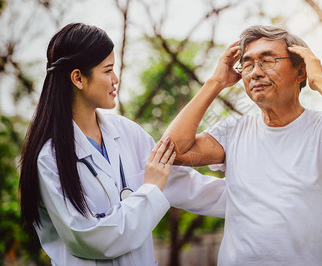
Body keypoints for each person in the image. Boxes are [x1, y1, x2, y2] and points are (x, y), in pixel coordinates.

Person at [163, 25, 322, 265]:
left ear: (300, 72)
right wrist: (215, 82)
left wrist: (319, 80)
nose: (255, 72)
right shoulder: (233, 131)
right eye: (247, 64)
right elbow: (172, 150)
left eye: (267, 61)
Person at [19, 23, 226, 265]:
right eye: (107, 71)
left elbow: (187, 185)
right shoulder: (49, 158)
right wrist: (150, 189)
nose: (115, 79)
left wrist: (260, 194)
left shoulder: (128, 133)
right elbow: (91, 239)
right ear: (78, 78)